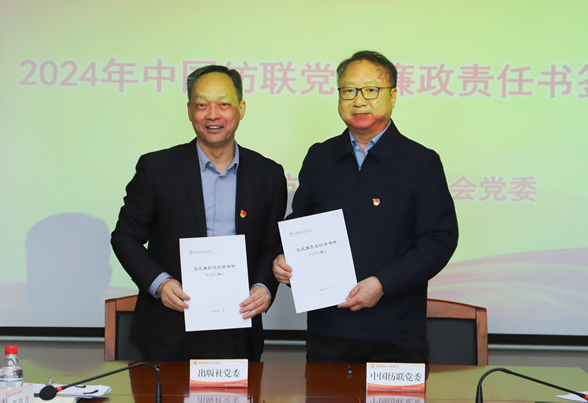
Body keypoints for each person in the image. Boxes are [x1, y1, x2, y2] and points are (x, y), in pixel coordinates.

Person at [273, 51, 458, 363]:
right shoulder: (320, 157)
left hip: (396, 334)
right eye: (348, 91)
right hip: (329, 331)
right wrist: (284, 257)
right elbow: (300, 222)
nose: (358, 101)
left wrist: (383, 284)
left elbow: (438, 240)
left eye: (371, 90)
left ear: (393, 96)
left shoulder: (420, 162)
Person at [111, 65, 287, 361]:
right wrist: (160, 283)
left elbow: (272, 245)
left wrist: (263, 287)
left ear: (241, 109)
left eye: (224, 104)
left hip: (239, 328)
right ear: (190, 111)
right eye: (202, 105)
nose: (212, 115)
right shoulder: (157, 169)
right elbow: (125, 237)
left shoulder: (267, 174)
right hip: (167, 329)